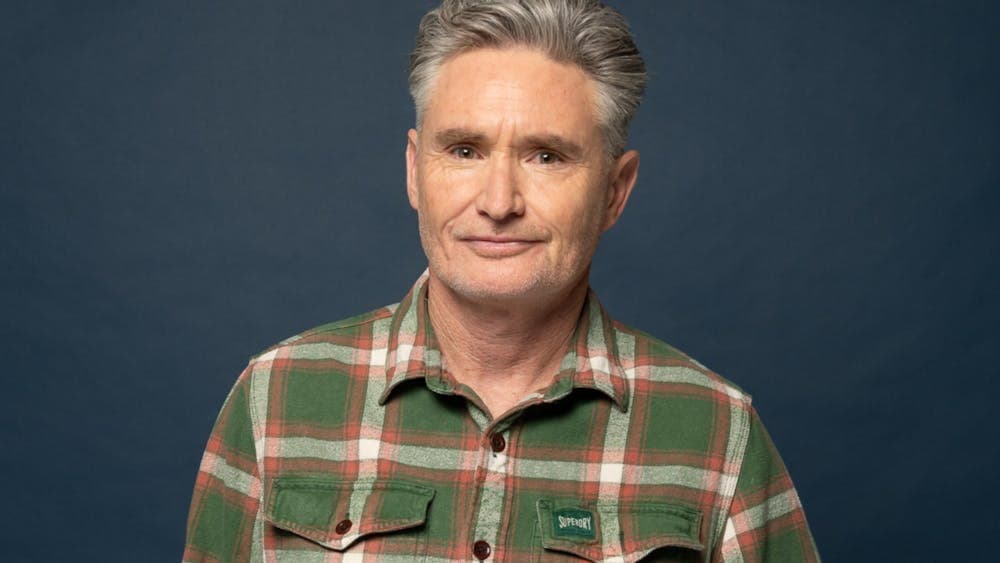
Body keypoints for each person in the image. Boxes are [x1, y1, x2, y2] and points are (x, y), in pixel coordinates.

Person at [183, 1, 820, 561]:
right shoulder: (276, 400)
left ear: (614, 191)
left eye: (547, 156)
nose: (498, 202)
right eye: (464, 150)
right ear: (414, 171)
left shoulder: (718, 433)